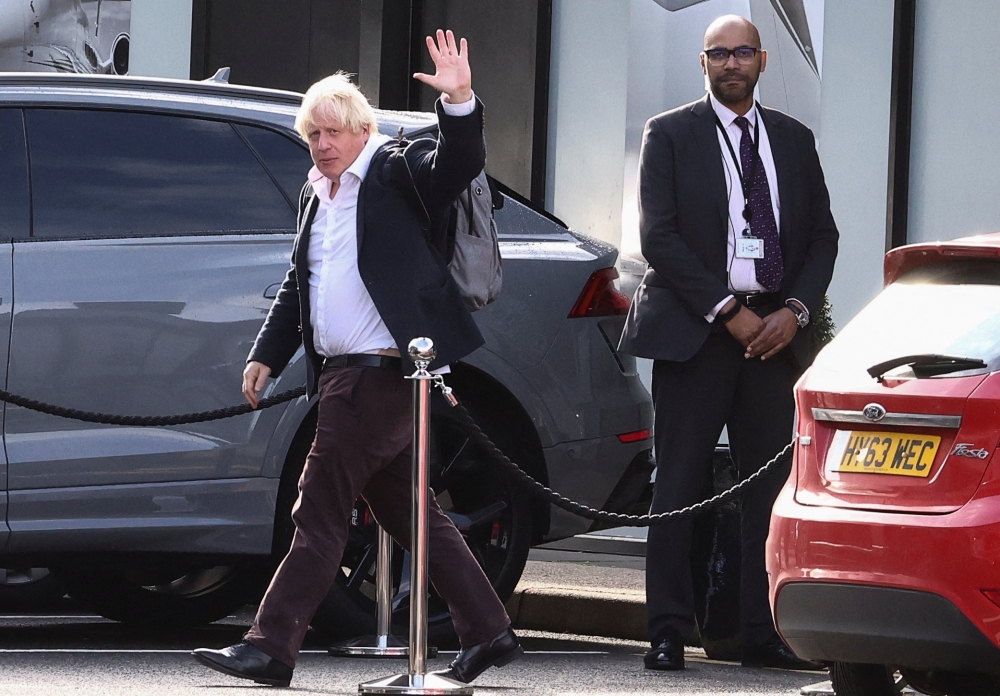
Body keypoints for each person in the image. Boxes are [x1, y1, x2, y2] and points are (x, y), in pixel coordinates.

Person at [191, 30, 522, 688]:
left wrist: (459, 98)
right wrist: (267, 355)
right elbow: (299, 282)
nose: (324, 144)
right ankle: (489, 631)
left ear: (363, 129)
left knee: (317, 509)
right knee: (411, 515)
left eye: (336, 131)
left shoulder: (396, 171)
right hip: (346, 375)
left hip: (378, 378)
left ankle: (270, 645)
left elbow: (456, 164)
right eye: (314, 134)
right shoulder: (317, 194)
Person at [619, 15, 838, 672]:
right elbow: (659, 237)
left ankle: (760, 633)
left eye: (744, 52)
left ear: (763, 60)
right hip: (699, 333)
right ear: (704, 62)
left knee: (768, 489)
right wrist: (726, 310)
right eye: (720, 54)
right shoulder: (671, 133)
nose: (732, 63)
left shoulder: (795, 140)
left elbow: (823, 237)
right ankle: (666, 631)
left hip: (775, 338)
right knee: (679, 484)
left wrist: (795, 312)